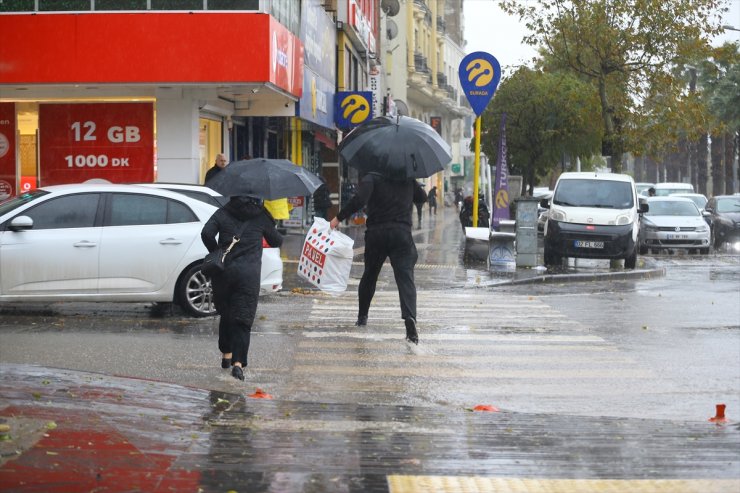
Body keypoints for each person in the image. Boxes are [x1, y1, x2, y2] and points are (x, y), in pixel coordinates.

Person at [330, 172, 427, 344]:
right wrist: (410, 184)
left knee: (370, 275)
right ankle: (409, 318)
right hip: (401, 235)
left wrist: (338, 218)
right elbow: (422, 198)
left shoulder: (373, 177)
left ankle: (362, 317)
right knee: (405, 278)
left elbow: (359, 200)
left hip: (377, 235)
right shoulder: (407, 178)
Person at [201, 195, 283, 381]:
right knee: (243, 319)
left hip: (223, 272)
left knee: (227, 314)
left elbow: (206, 233)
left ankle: (226, 355)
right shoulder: (260, 215)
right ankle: (238, 364)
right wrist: (270, 222)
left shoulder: (223, 212)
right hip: (248, 275)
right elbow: (277, 241)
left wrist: (217, 251)